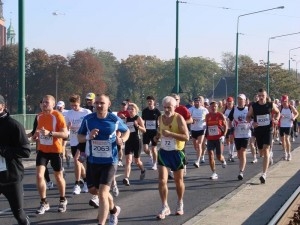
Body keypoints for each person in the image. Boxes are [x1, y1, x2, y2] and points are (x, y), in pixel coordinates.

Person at [77, 94, 130, 225]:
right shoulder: (88, 119)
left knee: (102, 193)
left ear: (109, 104)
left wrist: (122, 140)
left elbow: (127, 130)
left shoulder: (114, 119)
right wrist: (88, 136)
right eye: (97, 103)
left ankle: (101, 222)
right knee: (93, 190)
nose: (99, 106)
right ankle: (113, 210)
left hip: (110, 162)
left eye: (102, 103)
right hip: (93, 161)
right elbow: (79, 137)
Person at [154, 96, 189, 220]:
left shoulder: (178, 118)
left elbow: (186, 137)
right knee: (162, 180)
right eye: (165, 107)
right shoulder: (160, 118)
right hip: (164, 152)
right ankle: (165, 206)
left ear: (174, 107)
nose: (167, 110)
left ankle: (180, 203)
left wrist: (171, 134)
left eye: (169, 107)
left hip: (177, 153)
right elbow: (160, 130)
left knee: (178, 181)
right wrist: (157, 137)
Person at [33, 95, 69, 214]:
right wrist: (36, 135)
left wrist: (51, 133)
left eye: (47, 102)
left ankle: (63, 200)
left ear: (53, 104)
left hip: (55, 150)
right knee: (39, 176)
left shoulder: (58, 116)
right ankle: (44, 202)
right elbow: (38, 130)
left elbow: (65, 134)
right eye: (43, 102)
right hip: (43, 150)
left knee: (58, 177)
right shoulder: (39, 116)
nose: (44, 104)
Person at [0, 95, 31, 225]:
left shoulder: (13, 125)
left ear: (2, 106)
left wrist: (3, 150)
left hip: (11, 178)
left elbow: (26, 151)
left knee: (19, 215)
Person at [246, 88, 280, 184]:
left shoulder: (270, 104)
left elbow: (278, 112)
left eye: (263, 96)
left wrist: (276, 119)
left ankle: (264, 174)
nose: (261, 98)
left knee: (265, 149)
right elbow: (248, 116)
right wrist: (252, 122)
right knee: (261, 153)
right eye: (259, 96)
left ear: (266, 96)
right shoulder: (254, 106)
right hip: (258, 130)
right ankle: (269, 156)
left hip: (268, 130)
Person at [64, 94, 92, 194]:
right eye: (72, 105)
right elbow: (65, 128)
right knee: (79, 163)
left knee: (77, 160)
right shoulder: (68, 114)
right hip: (73, 141)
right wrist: (68, 126)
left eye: (75, 105)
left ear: (79, 103)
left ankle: (77, 184)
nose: (74, 107)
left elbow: (90, 126)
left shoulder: (86, 112)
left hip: (84, 141)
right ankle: (86, 181)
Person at [27, 100, 53, 190]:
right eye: (41, 104)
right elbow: (34, 131)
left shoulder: (55, 116)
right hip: (41, 145)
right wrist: (26, 136)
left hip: (54, 145)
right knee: (43, 165)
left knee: (56, 167)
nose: (43, 106)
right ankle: (49, 181)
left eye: (45, 103)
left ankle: (61, 172)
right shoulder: (38, 116)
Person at [228, 94, 251, 180]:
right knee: (238, 154)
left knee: (243, 151)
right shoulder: (234, 109)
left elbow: (252, 118)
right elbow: (229, 120)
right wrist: (231, 127)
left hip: (246, 134)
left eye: (241, 99)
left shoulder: (248, 109)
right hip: (237, 134)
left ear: (245, 101)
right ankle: (241, 165)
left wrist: (251, 124)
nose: (240, 101)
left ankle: (241, 172)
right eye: (239, 99)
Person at [123, 103, 147, 186]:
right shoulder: (127, 119)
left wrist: (138, 126)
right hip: (128, 141)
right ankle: (126, 178)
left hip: (137, 141)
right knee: (128, 160)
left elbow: (144, 130)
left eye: (132, 109)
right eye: (128, 109)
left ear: (135, 110)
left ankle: (143, 170)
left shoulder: (138, 118)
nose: (130, 111)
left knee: (137, 161)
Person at [205, 101, 228, 180]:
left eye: (215, 106)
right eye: (212, 106)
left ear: (217, 107)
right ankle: (214, 173)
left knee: (218, 156)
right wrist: (205, 138)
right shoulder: (207, 116)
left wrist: (224, 135)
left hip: (218, 138)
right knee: (210, 155)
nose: (213, 108)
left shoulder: (220, 115)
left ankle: (223, 160)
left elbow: (226, 125)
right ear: (210, 108)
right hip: (210, 138)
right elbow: (207, 127)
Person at [188, 96, 209, 168]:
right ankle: (200, 154)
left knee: (199, 144)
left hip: (201, 129)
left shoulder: (204, 110)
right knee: (195, 145)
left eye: (198, 102)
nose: (197, 103)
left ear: (200, 102)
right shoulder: (191, 109)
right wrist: (192, 120)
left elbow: (207, 118)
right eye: (195, 102)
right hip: (194, 129)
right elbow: (188, 117)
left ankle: (198, 160)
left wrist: (205, 121)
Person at [142, 95, 161, 170]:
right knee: (145, 149)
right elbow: (142, 121)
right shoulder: (145, 111)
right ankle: (150, 155)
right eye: (148, 101)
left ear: (154, 102)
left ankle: (154, 163)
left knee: (154, 148)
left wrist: (159, 131)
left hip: (154, 132)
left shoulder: (157, 111)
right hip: (146, 132)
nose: (149, 102)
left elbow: (160, 121)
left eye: (151, 101)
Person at [279, 95, 298, 161]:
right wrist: (279, 116)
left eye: (285, 101)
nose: (284, 102)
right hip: (281, 125)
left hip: (288, 125)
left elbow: (296, 113)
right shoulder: (280, 107)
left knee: (287, 139)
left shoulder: (291, 107)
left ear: (288, 101)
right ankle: (285, 153)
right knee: (282, 140)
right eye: (283, 101)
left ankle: (289, 153)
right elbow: (276, 114)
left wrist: (294, 118)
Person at [56, 101, 70, 168]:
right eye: (58, 107)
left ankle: (62, 165)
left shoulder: (67, 113)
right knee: (61, 147)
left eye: (61, 107)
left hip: (66, 132)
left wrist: (69, 127)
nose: (59, 108)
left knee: (63, 146)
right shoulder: (55, 112)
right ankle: (67, 157)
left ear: (64, 106)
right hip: (58, 133)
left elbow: (70, 121)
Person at [116, 101, 130, 166]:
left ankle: (130, 157)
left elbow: (131, 120)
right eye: (122, 106)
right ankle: (120, 160)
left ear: (127, 106)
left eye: (124, 106)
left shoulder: (128, 112)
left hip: (127, 130)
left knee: (129, 145)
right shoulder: (119, 113)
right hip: (120, 130)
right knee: (120, 145)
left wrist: (125, 117)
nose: (123, 107)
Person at [223, 96, 235, 162]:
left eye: (230, 102)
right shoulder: (225, 109)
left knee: (232, 140)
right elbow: (222, 116)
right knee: (227, 140)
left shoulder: (235, 109)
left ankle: (232, 154)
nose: (229, 103)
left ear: (233, 102)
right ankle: (229, 153)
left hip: (233, 126)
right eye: (228, 102)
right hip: (226, 127)